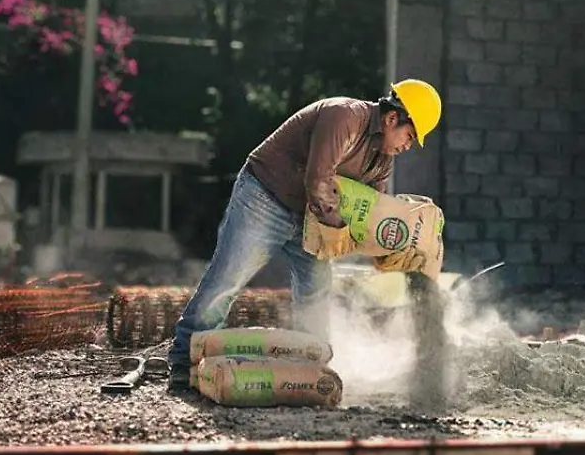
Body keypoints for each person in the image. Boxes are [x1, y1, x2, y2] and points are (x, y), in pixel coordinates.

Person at [165, 79, 442, 390]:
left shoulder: (381, 163)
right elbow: (319, 180)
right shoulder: (345, 116)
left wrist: (390, 252)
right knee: (228, 279)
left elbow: (369, 218)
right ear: (392, 119)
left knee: (316, 291)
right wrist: (338, 231)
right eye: (410, 135)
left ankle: (310, 371)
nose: (408, 145)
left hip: (311, 219)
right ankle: (182, 361)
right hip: (265, 198)